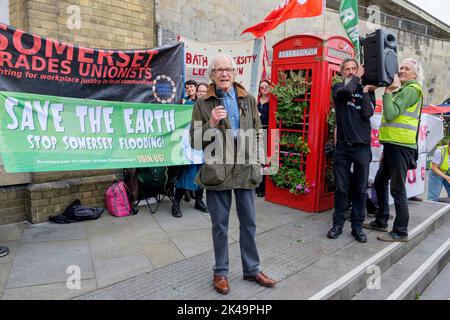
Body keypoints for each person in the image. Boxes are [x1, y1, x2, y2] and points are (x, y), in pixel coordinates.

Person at [190, 54, 276, 294]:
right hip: (218, 170)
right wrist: (212, 125)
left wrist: (259, 159)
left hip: (245, 168)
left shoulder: (248, 100)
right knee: (220, 225)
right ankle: (220, 272)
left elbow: (258, 131)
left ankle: (252, 269)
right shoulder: (202, 104)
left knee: (249, 222)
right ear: (212, 75)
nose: (224, 74)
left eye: (228, 69)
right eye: (219, 70)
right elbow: (195, 141)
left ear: (235, 73)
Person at [364, 58, 424, 242]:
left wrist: (388, 91)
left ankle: (400, 231)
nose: (401, 71)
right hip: (392, 145)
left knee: (397, 189)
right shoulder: (404, 90)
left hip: (401, 146)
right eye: (401, 68)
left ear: (415, 74)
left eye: (406, 68)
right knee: (381, 182)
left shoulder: (412, 90)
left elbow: (390, 114)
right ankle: (382, 220)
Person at [326, 58, 377, 243]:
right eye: (346, 69)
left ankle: (357, 227)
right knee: (341, 188)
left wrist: (364, 91)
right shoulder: (338, 88)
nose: (350, 72)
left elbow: (367, 113)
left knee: (360, 189)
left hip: (362, 147)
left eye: (353, 69)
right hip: (343, 147)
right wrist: (357, 78)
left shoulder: (366, 90)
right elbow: (346, 92)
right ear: (342, 72)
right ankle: (337, 224)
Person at [172, 80, 209, 217]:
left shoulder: (211, 107)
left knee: (203, 176)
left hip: (205, 146)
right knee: (186, 175)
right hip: (190, 147)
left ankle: (198, 201)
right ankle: (176, 204)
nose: (202, 93)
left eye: (204, 91)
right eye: (200, 91)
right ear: (196, 93)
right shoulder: (187, 105)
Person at [255, 78, 271, 197]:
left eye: (266, 86)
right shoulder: (257, 100)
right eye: (262, 87)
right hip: (257, 131)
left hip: (268, 131)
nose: (264, 89)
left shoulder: (273, 101)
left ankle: (263, 187)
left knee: (265, 160)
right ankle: (256, 183)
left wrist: (263, 115)